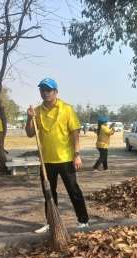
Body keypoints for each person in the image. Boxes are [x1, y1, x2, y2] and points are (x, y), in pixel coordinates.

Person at [25, 77, 89, 233]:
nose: (45, 93)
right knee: (49, 193)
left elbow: (74, 133)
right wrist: (29, 117)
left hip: (66, 158)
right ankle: (51, 222)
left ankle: (83, 221)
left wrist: (77, 154)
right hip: (46, 160)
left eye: (49, 90)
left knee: (73, 190)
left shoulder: (66, 109)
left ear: (56, 92)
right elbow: (30, 133)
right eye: (43, 90)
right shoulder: (37, 111)